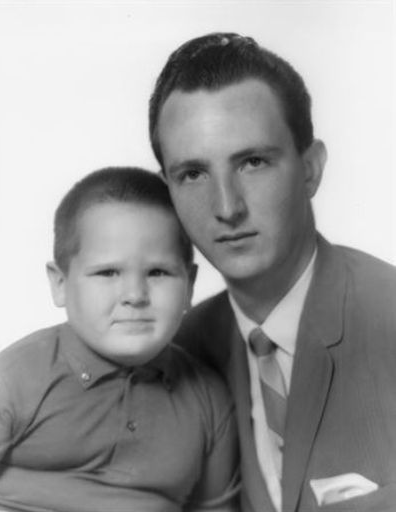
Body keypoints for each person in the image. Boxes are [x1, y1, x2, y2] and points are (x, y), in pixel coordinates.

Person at [149, 32, 396, 512]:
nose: (227, 208)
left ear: (311, 169)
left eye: (253, 162)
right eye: (193, 174)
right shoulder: (170, 357)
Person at [0, 167, 240, 512]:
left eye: (158, 272)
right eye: (107, 272)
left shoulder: (208, 400)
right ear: (60, 283)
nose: (135, 295)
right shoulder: (12, 380)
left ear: (189, 285)